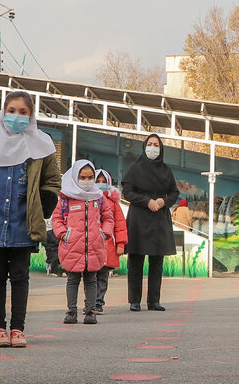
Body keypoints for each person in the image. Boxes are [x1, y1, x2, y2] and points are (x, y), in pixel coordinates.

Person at [0, 91, 61, 347]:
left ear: (31, 116)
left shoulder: (41, 145)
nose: (16, 116)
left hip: (24, 224)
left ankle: (17, 329)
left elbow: (53, 180)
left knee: (20, 276)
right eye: (11, 110)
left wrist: (43, 206)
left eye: (23, 112)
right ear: (3, 112)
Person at [52, 159, 115, 324]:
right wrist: (63, 234)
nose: (87, 181)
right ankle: (71, 311)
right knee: (72, 279)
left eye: (90, 177)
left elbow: (108, 218)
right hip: (72, 246)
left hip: (94, 246)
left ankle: (90, 311)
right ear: (75, 176)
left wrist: (104, 233)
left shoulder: (99, 198)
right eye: (83, 177)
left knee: (91, 279)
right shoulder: (66, 198)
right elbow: (57, 218)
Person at [121, 134, 179, 311]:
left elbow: (174, 193)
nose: (152, 147)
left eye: (156, 145)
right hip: (139, 219)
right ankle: (135, 301)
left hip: (159, 220)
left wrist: (164, 201)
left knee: (157, 261)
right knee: (135, 260)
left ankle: (154, 301)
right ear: (144, 146)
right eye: (150, 144)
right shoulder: (135, 168)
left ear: (161, 149)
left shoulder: (166, 170)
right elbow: (127, 193)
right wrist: (147, 201)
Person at [93, 168, 128, 313]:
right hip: (91, 245)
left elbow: (120, 225)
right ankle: (90, 301)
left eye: (103, 182)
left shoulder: (113, 203)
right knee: (90, 277)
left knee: (102, 275)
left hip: (107, 245)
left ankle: (98, 302)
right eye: (97, 181)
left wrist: (120, 244)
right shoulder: (87, 199)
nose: (100, 184)